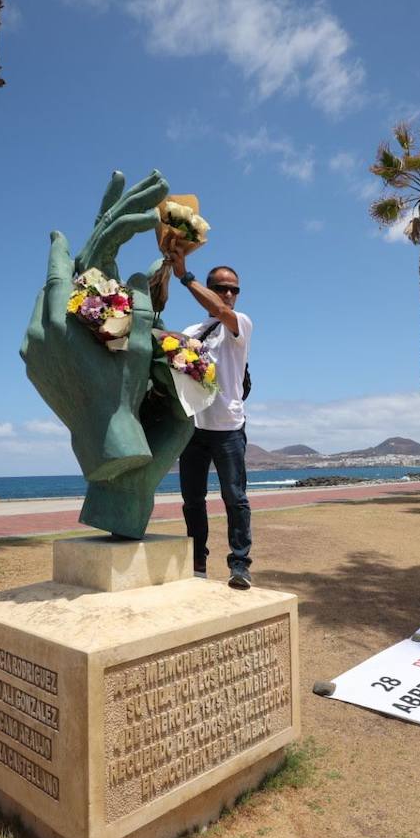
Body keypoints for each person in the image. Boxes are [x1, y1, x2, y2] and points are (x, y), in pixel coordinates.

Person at [169, 250, 254, 590]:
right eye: (221, 288)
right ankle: (197, 562)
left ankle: (239, 565)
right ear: (209, 289)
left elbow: (221, 311)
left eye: (234, 289)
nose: (228, 294)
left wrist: (183, 275)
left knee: (235, 498)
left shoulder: (241, 322)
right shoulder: (192, 330)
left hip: (229, 428)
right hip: (194, 428)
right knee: (193, 500)